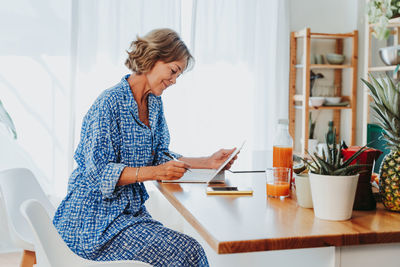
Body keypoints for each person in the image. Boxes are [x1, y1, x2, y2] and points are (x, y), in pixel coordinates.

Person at [53, 28, 238, 267]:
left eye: (178, 75)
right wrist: (155, 172)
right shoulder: (109, 102)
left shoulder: (154, 103)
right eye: (173, 71)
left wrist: (208, 161)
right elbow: (99, 174)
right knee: (188, 252)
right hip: (93, 220)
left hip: (128, 215)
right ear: (153, 58)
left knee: (184, 250)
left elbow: (160, 155)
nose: (174, 81)